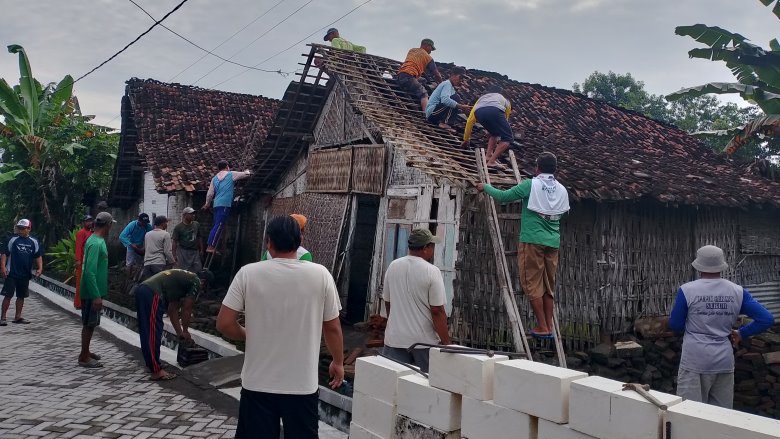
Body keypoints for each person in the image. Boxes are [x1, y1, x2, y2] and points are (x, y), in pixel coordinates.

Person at [217, 216, 344, 438]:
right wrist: (338, 362)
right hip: (301, 385)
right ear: (300, 239)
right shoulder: (320, 274)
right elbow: (332, 327)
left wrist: (247, 335)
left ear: (269, 242)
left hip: (257, 383)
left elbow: (225, 323)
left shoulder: (248, 273)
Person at [669, 245, 774, 409]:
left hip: (695, 360)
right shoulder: (737, 291)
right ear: (721, 265)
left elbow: (675, 325)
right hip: (723, 361)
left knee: (689, 414)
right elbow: (766, 319)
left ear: (698, 265)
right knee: (721, 416)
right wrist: (741, 333)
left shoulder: (687, 290)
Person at [477, 152, 569, 338]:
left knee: (531, 283)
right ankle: (549, 326)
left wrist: (485, 186)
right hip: (553, 242)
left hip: (532, 240)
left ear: (537, 168)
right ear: (555, 169)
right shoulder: (561, 189)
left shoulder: (530, 185)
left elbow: (503, 197)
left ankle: (542, 327)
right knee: (548, 285)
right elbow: (562, 213)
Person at [382, 228, 450, 373]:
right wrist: (446, 343)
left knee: (392, 388)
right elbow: (437, 311)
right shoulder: (432, 271)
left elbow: (388, 303)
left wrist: (396, 325)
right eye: (432, 246)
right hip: (423, 343)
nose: (433, 250)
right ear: (425, 248)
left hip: (394, 340)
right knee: (424, 388)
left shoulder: (393, 266)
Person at [136, 269, 206, 381]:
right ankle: (156, 371)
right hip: (152, 293)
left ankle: (153, 365)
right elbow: (187, 308)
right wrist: (186, 330)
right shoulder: (196, 281)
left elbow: (172, 310)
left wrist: (180, 332)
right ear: (203, 281)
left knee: (148, 331)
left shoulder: (181, 281)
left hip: (144, 289)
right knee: (153, 333)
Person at [78, 212, 116, 368]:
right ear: (108, 225)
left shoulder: (96, 240)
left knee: (91, 324)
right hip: (91, 291)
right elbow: (89, 271)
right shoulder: (95, 243)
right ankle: (83, 356)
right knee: (89, 323)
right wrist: (95, 295)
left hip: (93, 290)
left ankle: (86, 351)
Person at [202, 160, 251, 253]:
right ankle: (210, 247)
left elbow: (210, 194)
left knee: (216, 225)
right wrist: (247, 171)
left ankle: (210, 245)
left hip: (216, 204)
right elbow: (246, 174)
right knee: (219, 225)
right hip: (225, 204)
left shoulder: (214, 178)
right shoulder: (231, 174)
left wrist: (207, 204)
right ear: (227, 167)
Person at [0, 219, 43, 326]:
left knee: (21, 296)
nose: (20, 230)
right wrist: (3, 267)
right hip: (11, 272)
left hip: (25, 273)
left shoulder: (34, 241)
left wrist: (40, 268)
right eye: (19, 228)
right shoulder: (12, 240)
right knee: (8, 295)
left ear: (29, 229)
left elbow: (38, 255)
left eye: (23, 228)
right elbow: (5, 254)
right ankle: (3, 317)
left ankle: (18, 317)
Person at [462, 85, 513, 167]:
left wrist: (466, 139)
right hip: (495, 111)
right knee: (507, 138)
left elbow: (470, 120)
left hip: (479, 113)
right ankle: (492, 161)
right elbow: (505, 119)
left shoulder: (482, 98)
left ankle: (488, 156)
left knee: (494, 133)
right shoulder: (505, 100)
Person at [397, 38, 443, 111]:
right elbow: (437, 74)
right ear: (427, 46)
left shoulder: (412, 50)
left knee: (423, 80)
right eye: (431, 48)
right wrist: (442, 84)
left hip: (401, 75)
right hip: (409, 76)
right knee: (424, 94)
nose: (430, 51)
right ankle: (426, 113)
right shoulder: (428, 57)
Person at [140, 216, 175, 281]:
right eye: (166, 223)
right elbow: (167, 251)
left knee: (150, 285)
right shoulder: (165, 234)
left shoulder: (147, 234)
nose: (167, 224)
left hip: (147, 264)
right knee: (159, 284)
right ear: (162, 224)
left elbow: (145, 249)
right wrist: (173, 262)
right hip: (159, 263)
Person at [172, 207, 203, 273]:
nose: (193, 215)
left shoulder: (196, 224)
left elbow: (199, 237)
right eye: (191, 214)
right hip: (183, 251)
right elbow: (174, 242)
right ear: (184, 215)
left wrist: (201, 249)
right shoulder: (178, 227)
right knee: (184, 270)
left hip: (195, 251)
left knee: (198, 269)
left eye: (193, 214)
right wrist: (174, 255)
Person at [74, 215, 94, 309]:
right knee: (80, 283)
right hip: (82, 262)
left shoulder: (91, 233)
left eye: (91, 221)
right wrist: (78, 260)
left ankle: (86, 302)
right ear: (83, 222)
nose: (89, 223)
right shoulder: (81, 233)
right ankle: (78, 303)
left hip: (89, 262)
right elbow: (78, 247)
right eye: (87, 221)